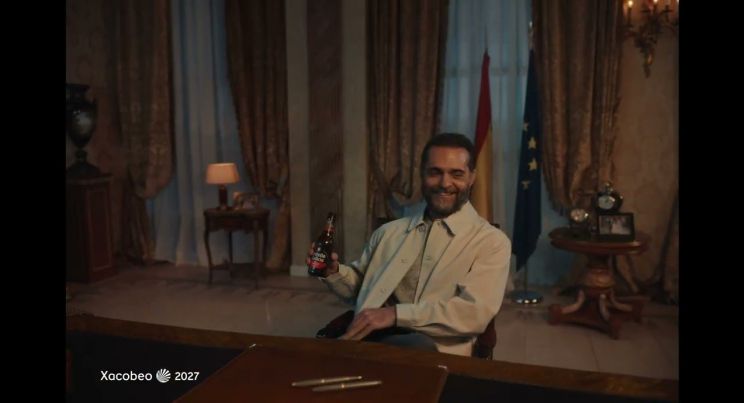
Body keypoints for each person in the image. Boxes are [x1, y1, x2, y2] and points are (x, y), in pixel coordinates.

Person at [307, 133, 511, 356]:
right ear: (422, 175)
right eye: (435, 172)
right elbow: (362, 290)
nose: (445, 183)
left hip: (436, 355)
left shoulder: (491, 242)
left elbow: (473, 314)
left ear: (472, 178)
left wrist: (395, 314)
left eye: (457, 174)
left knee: (413, 346)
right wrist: (333, 272)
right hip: (370, 343)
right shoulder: (388, 233)